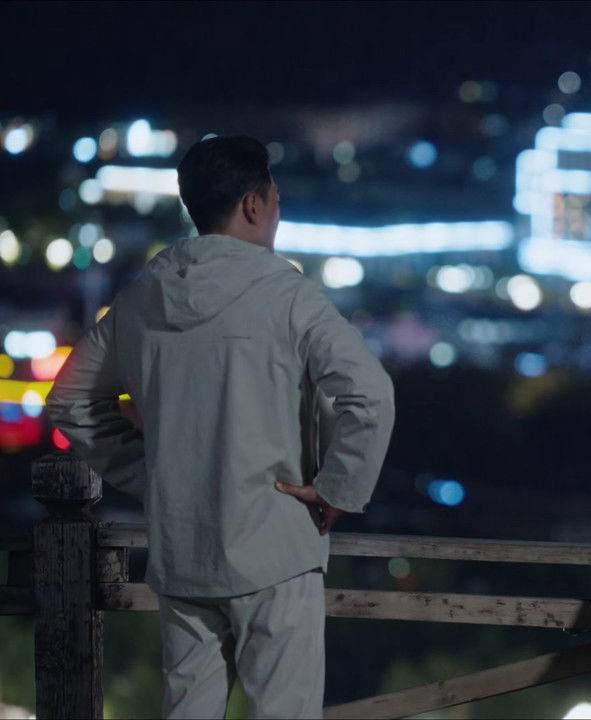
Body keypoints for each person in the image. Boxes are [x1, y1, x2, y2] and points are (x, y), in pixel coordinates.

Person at [47, 135, 395, 719]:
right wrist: (337, 488)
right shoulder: (289, 295)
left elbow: (70, 400)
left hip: (183, 547)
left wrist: (148, 473)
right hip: (276, 544)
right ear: (254, 205)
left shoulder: (144, 297)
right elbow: (371, 395)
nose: (277, 213)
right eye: (276, 200)